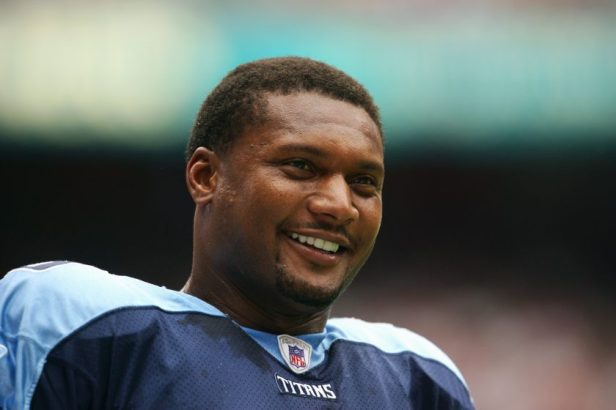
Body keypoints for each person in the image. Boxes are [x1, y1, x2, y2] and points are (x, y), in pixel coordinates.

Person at [0, 57, 474, 409]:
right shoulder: (85, 328)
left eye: (363, 182)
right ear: (206, 177)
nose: (339, 205)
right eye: (301, 166)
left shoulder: (419, 378)